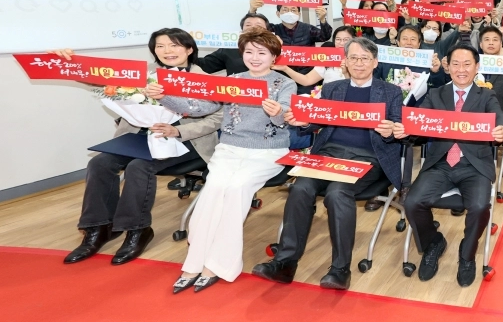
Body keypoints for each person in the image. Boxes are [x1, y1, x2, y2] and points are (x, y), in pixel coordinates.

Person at [55, 29, 222, 266]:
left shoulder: (206, 80)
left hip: (184, 141)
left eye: (174, 45)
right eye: (161, 46)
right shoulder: (146, 76)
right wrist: (71, 64)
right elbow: (102, 80)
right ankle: (99, 228)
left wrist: (178, 130)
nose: (167, 51)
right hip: (138, 138)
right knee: (99, 163)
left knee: (139, 166)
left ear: (189, 49)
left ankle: (137, 230)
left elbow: (216, 119)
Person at [251, 37, 403, 291]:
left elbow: (400, 129)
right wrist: (304, 123)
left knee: (337, 193)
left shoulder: (391, 92)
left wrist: (391, 129)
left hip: (368, 158)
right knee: (300, 188)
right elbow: (317, 120)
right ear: (344, 62)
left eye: (365, 58)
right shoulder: (334, 88)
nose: (359, 63)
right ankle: (285, 262)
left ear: (375, 62)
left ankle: (340, 268)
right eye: (353, 57)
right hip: (329, 154)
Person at [153, 30, 296, 293]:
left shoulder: (284, 84)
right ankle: (193, 263)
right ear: (242, 54)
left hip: (267, 152)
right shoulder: (233, 80)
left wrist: (278, 112)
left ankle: (218, 265)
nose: (255, 57)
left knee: (236, 189)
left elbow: (286, 116)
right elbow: (200, 108)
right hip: (229, 149)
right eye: (249, 51)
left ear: (274, 57)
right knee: (213, 190)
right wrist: (163, 96)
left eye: (262, 52)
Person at [392, 45, 503, 287]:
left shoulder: (486, 95)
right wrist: (406, 130)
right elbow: (419, 121)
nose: (461, 69)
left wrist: (502, 130)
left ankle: (467, 255)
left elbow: (500, 116)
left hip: (474, 165)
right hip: (440, 164)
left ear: (477, 68)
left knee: (479, 206)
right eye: (455, 63)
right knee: (412, 202)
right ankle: (433, 242)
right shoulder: (436, 95)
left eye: (467, 64)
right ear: (447, 67)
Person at [274, 27, 355, 87]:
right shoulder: (327, 58)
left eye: (346, 39)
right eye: (338, 39)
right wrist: (285, 68)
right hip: (327, 100)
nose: (341, 43)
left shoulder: (360, 61)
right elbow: (307, 80)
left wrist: (347, 73)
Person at [199, 13, 270, 76]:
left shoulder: (275, 48)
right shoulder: (230, 49)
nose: (253, 27)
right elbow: (206, 65)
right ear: (242, 30)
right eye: (248, 25)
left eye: (258, 25)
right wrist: (189, 50)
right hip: (236, 88)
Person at [248, 0, 332, 47]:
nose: (289, 13)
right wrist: (252, 10)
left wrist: (322, 20)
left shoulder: (308, 29)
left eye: (293, 10)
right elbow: (253, 30)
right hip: (280, 71)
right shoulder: (272, 29)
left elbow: (325, 36)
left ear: (299, 14)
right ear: (278, 14)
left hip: (306, 71)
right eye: (285, 9)